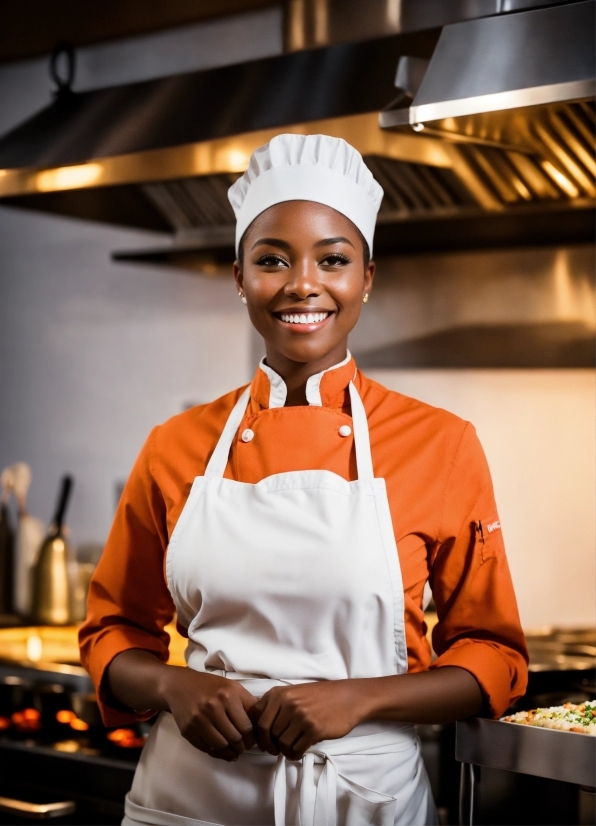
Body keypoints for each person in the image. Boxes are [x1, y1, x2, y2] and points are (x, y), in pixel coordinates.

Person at [79, 134, 528, 826]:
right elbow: (112, 630)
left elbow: (493, 655)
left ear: (367, 277)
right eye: (272, 260)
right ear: (239, 277)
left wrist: (360, 698)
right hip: (190, 799)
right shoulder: (175, 446)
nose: (302, 284)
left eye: (333, 260)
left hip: (360, 801)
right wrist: (175, 685)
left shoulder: (441, 444)